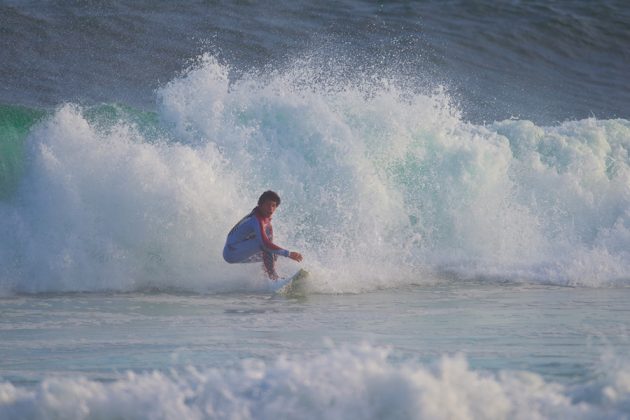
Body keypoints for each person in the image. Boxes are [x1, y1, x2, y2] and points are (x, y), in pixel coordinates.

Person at [223, 190, 303, 279]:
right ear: (260, 205)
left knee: (274, 254)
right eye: (268, 205)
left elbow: (269, 247)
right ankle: (273, 278)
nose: (271, 209)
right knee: (265, 245)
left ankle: (267, 279)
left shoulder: (267, 224)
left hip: (237, 250)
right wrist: (288, 254)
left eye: (274, 206)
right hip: (231, 251)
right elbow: (265, 244)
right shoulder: (256, 219)